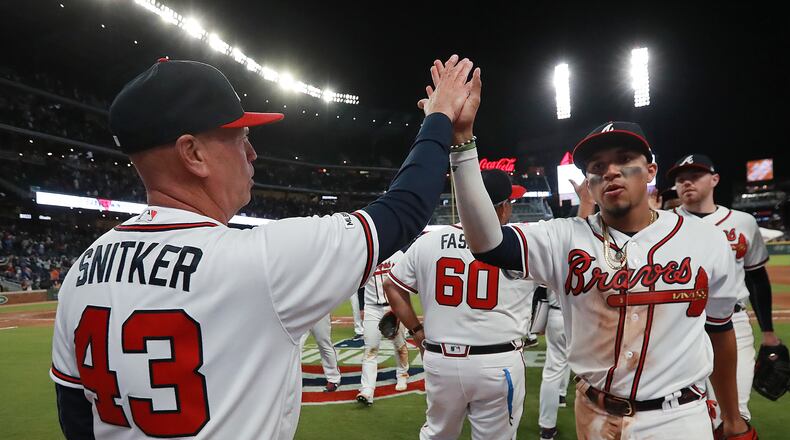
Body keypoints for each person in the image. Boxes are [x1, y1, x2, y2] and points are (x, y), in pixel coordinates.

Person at [49, 55, 477, 439]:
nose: (252, 153)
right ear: (192, 153)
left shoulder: (82, 271)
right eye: (239, 138)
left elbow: (76, 417)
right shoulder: (260, 260)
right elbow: (403, 210)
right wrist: (439, 115)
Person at [447, 113, 755, 437]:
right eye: (596, 167)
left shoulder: (704, 239)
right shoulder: (564, 237)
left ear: (650, 171)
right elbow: (486, 244)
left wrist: (732, 418)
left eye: (624, 160)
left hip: (677, 418)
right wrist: (462, 143)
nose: (610, 171)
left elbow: (720, 331)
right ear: (589, 185)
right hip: (593, 415)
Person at [384, 168, 536, 440]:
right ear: (502, 208)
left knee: (437, 435)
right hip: (497, 361)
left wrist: (417, 332)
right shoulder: (523, 243)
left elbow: (392, 285)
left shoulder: (428, 241)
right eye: (509, 202)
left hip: (441, 359)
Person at [667, 153, 784, 423]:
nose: (686, 183)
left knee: (734, 414)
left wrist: (768, 332)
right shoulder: (663, 222)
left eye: (695, 176)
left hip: (733, 324)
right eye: (680, 179)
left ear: (714, 179)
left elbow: (757, 278)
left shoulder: (743, 222)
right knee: (689, 413)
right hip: (680, 325)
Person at [356, 250, 410, 406]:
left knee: (399, 344)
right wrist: (361, 307)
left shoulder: (398, 255)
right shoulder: (368, 255)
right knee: (370, 348)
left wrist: (399, 309)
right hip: (372, 307)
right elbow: (360, 284)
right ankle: (367, 390)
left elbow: (404, 284)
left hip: (393, 305)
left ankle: (402, 374)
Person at [537, 287, 571, 440]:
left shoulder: (553, 261)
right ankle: (561, 396)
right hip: (583, 315)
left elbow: (540, 288)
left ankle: (547, 428)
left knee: (553, 369)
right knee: (589, 372)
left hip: (556, 313)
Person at [300, 313, 342, 392]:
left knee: (324, 343)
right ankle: (294, 379)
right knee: (296, 346)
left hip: (319, 309)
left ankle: (333, 378)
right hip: (299, 310)